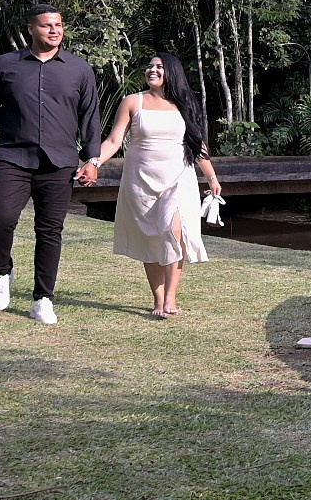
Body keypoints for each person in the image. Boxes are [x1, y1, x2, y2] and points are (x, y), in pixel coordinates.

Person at [0, 4, 103, 325]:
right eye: (46, 26)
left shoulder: (79, 69)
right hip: (12, 158)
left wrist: (92, 159)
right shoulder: (4, 66)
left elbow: (90, 118)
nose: (54, 30)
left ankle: (43, 298)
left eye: (58, 25)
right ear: (31, 29)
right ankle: (3, 273)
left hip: (59, 164)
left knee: (50, 231)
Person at [90, 53, 222, 319]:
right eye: (150, 66)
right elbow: (114, 140)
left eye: (159, 67)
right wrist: (94, 162)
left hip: (178, 179)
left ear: (171, 72)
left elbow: (198, 146)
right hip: (141, 181)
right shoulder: (132, 101)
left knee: (174, 231)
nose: (152, 70)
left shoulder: (184, 104)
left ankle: (171, 296)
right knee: (151, 237)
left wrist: (211, 177)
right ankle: (158, 299)